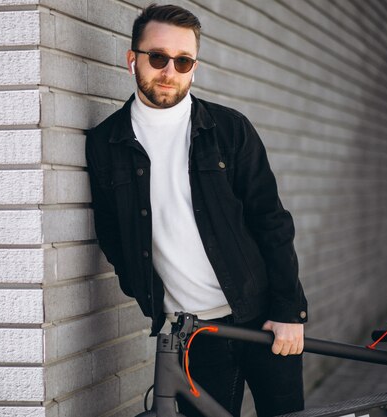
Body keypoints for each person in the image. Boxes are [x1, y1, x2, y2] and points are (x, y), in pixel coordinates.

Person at [85, 3, 308, 416]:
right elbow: (112, 233)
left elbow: (271, 221)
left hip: (262, 319)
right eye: (157, 57)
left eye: (182, 61)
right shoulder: (105, 142)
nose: (169, 71)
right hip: (192, 332)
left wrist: (288, 311)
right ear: (132, 59)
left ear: (194, 67)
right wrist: (145, 291)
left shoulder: (228, 129)